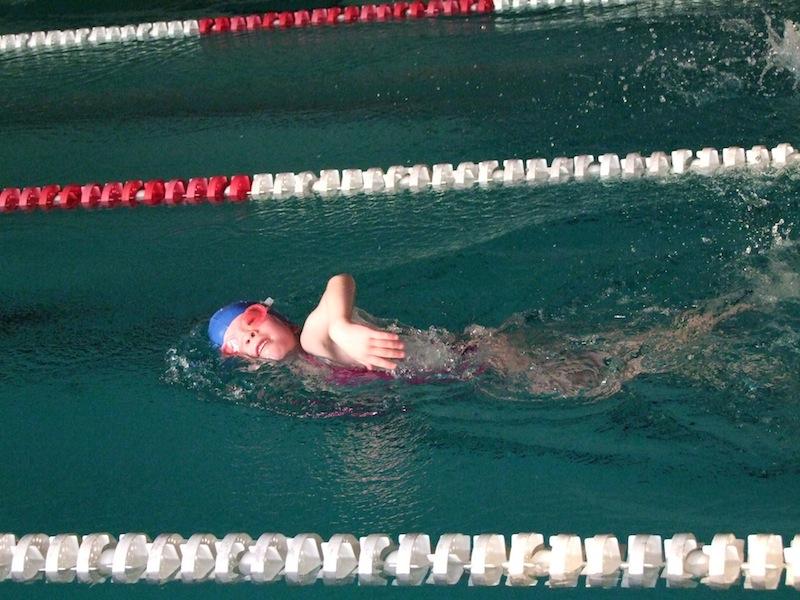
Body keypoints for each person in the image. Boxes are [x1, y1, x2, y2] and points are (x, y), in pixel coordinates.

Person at [208, 273, 753, 398]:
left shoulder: (316, 338)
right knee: (623, 356)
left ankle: (720, 326)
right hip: (474, 362)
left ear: (267, 313)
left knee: (611, 373)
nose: (249, 341)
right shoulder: (303, 372)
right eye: (238, 345)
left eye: (249, 325)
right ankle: (717, 322)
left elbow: (336, 286)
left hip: (488, 360)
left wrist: (346, 324)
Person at [208, 274, 406, 371]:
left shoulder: (313, 341)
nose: (247, 336)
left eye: (252, 319)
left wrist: (339, 326)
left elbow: (339, 281)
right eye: (233, 344)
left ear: (285, 322)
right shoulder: (292, 380)